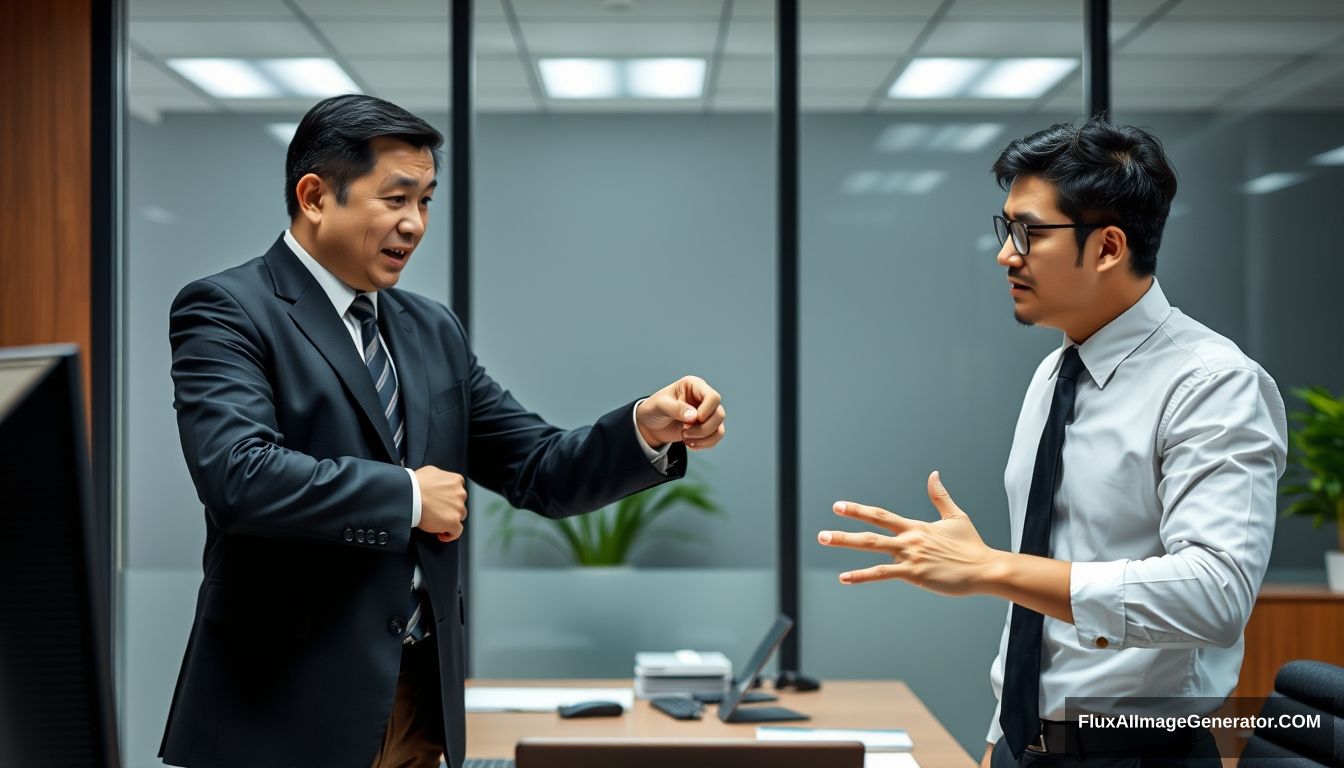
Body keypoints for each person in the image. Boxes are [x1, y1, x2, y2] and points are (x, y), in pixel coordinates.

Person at [160, 94, 727, 768]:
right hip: (282, 715)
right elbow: (238, 474)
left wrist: (645, 428)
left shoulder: (430, 329)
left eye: (426, 201)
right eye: (396, 198)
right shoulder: (228, 310)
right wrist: (404, 497)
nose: (415, 224)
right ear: (315, 197)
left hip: (415, 709)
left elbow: (540, 468)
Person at [816, 117, 1286, 767]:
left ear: (1109, 247)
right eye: (1006, 228)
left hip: (1136, 755)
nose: (1007, 253)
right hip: (1026, 744)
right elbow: (1043, 589)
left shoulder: (1212, 383)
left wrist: (989, 568)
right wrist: (1002, 734)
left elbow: (1215, 595)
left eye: (1029, 233)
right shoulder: (1055, 374)